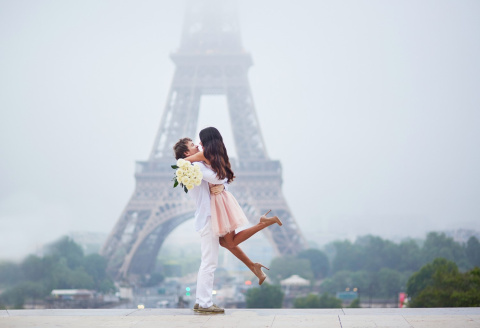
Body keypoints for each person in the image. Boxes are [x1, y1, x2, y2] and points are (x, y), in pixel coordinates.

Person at [184, 127, 282, 286]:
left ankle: (263, 224)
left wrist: (190, 158)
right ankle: (253, 266)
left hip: (220, 203)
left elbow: (183, 162)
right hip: (223, 200)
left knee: (230, 242)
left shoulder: (203, 155)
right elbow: (221, 177)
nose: (199, 143)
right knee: (225, 242)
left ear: (207, 140)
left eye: (201, 140)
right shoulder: (219, 155)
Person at [173, 137, 226, 314]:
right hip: (208, 218)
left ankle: (200, 301)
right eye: (192, 146)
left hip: (206, 218)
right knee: (209, 263)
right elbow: (220, 177)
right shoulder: (195, 166)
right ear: (187, 153)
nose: (197, 146)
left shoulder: (192, 165)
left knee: (207, 262)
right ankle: (204, 303)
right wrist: (204, 156)